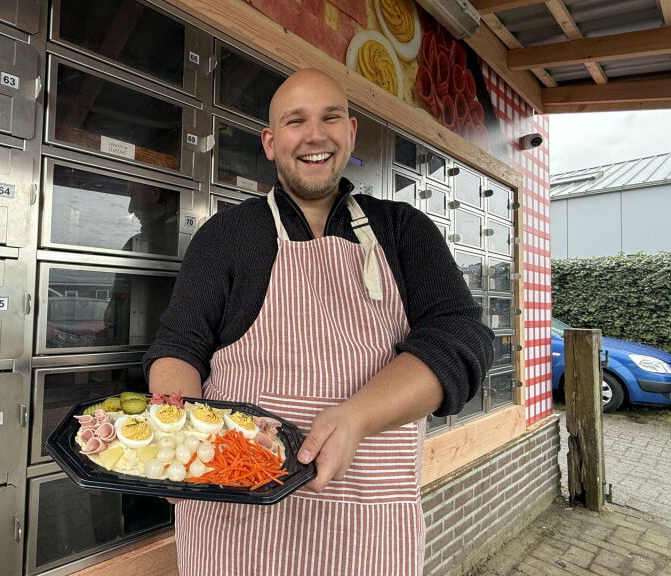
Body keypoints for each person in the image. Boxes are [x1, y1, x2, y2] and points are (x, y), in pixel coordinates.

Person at [143, 68, 494, 575]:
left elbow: (462, 338)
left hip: (366, 525)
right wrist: (178, 437)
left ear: (350, 132)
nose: (314, 135)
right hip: (232, 518)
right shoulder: (226, 236)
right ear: (270, 141)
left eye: (330, 117)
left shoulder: (404, 231)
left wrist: (356, 417)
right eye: (295, 121)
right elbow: (179, 346)